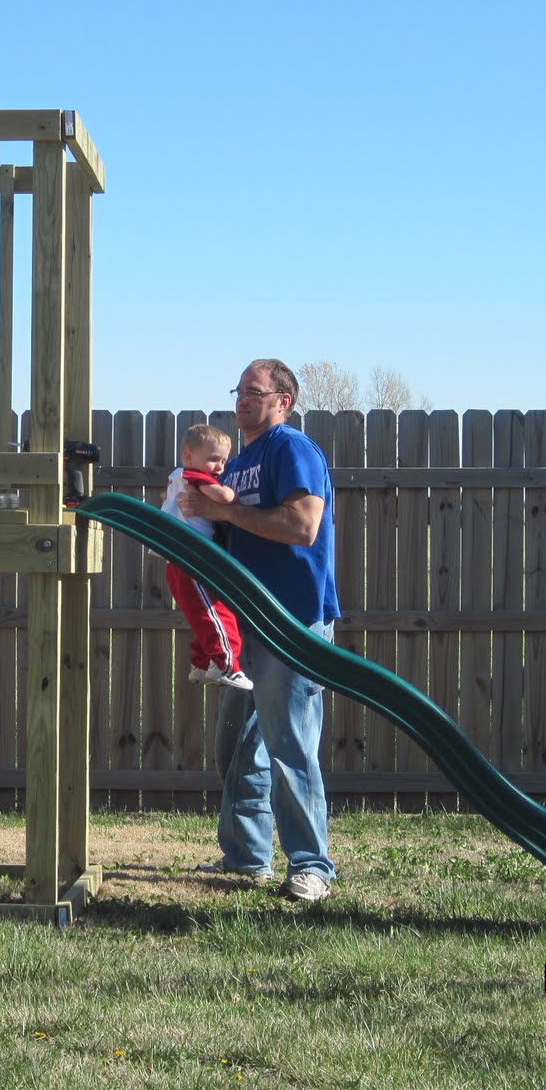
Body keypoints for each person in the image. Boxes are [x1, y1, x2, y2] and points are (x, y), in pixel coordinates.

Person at [177, 359, 340, 903]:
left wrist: (228, 515)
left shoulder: (292, 449)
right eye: (239, 391)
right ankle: (247, 856)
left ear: (283, 401)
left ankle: (311, 865)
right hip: (247, 620)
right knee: (239, 746)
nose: (241, 400)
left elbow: (303, 525)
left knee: (290, 747)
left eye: (254, 391)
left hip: (291, 619)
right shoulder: (239, 460)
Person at [161, 423, 252, 691]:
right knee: (217, 611)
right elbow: (221, 496)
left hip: (176, 557)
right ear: (188, 456)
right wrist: (232, 494)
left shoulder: (176, 476)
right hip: (193, 555)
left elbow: (166, 497)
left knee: (200, 612)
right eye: (214, 459)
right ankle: (227, 666)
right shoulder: (195, 476)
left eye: (223, 461)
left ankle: (201, 665)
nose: (220, 468)